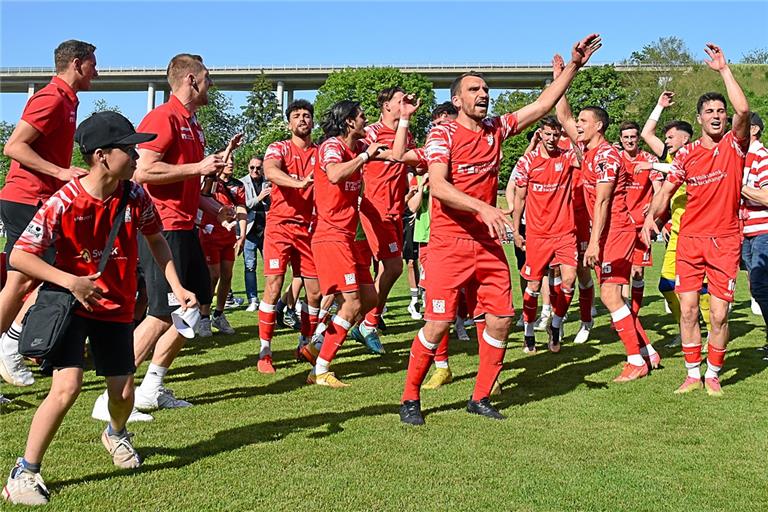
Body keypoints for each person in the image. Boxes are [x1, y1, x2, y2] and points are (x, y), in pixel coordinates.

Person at [399, 33, 602, 426]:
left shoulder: (495, 129)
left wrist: (574, 65)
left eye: (486, 89)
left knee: (500, 320)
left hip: (486, 245)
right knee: (438, 323)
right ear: (457, 99)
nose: (483, 94)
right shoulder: (442, 133)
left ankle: (480, 396)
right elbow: (438, 186)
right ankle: (410, 397)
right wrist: (485, 208)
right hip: (448, 243)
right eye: (474, 89)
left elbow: (543, 104)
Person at [2, 111, 197, 506]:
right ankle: (24, 472)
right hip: (71, 305)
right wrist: (70, 281)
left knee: (123, 392)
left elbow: (156, 240)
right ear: (102, 156)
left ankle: (116, 433)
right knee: (67, 387)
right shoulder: (65, 200)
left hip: (117, 308)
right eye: (129, 148)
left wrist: (176, 285)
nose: (138, 155)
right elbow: (21, 257)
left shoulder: (134, 195)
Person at [118, 53, 231, 415]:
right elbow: (141, 172)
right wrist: (198, 166)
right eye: (207, 77)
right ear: (191, 81)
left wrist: (214, 207)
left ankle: (152, 387)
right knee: (160, 313)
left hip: (185, 227)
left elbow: (185, 182)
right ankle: (114, 396)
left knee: (194, 306)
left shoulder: (193, 123)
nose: (211, 83)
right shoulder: (163, 117)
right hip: (161, 228)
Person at [642, 43, 750, 396]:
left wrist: (724, 70)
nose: (717, 115)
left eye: (720, 110)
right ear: (699, 118)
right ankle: (692, 372)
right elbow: (666, 190)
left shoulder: (735, 145)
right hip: (689, 241)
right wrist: (650, 219)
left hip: (724, 241)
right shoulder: (686, 154)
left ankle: (714, 372)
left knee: (718, 315)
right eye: (710, 111)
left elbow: (744, 109)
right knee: (687, 310)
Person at [0, 40, 98, 389]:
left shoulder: (68, 100)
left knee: (40, 276)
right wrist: (59, 173)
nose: (97, 72)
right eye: (93, 65)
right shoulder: (51, 97)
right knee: (25, 279)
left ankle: (17, 344)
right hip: (26, 198)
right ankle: (10, 345)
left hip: (41, 199)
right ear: (76, 64)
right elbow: (14, 145)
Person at [556, 67, 660, 383]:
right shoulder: (589, 148)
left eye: (583, 122)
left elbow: (602, 202)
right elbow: (563, 116)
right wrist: (563, 77)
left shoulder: (606, 157)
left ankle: (634, 361)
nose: (577, 126)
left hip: (617, 231)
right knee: (615, 296)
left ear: (598, 126)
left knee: (611, 295)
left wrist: (596, 242)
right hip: (609, 231)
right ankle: (647, 352)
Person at [308, 100, 403, 387]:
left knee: (370, 300)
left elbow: (397, 155)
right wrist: (364, 159)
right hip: (330, 236)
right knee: (351, 303)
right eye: (362, 117)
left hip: (347, 237)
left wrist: (406, 119)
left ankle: (316, 345)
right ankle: (320, 370)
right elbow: (335, 174)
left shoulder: (360, 148)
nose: (366, 120)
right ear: (349, 121)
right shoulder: (332, 146)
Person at [638, 92, 709, 347]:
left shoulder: (698, 154)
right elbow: (647, 134)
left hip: (701, 231)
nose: (666, 141)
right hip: (677, 232)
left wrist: (654, 167)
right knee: (666, 284)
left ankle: (711, 328)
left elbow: (681, 171)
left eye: (670, 137)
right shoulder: (669, 157)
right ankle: (685, 327)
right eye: (665, 138)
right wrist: (658, 106)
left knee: (701, 287)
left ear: (685, 138)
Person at [351, 87, 417, 351]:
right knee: (383, 269)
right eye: (401, 101)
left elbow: (409, 163)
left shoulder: (406, 133)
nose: (406, 104)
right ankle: (353, 324)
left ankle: (365, 323)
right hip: (369, 209)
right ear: (386, 106)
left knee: (389, 268)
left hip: (394, 210)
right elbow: (393, 156)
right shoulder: (371, 133)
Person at [257, 99, 321, 373]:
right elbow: (270, 171)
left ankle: (304, 343)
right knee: (274, 285)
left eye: (307, 115)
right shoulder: (279, 147)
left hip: (309, 228)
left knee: (315, 292)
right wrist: (298, 183)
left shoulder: (321, 152)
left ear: (313, 122)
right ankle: (265, 352)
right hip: (280, 226)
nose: (302, 119)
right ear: (289, 123)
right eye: (297, 115)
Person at [511, 114, 579, 354]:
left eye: (556, 134)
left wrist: (570, 129)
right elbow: (519, 199)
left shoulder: (567, 156)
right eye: (547, 134)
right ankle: (528, 330)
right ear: (539, 134)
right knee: (533, 286)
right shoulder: (526, 162)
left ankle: (556, 324)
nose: (552, 139)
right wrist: (517, 230)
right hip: (537, 234)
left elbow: (584, 156)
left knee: (569, 279)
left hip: (564, 231)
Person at [618, 121, 663, 338]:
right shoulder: (615, 159)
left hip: (640, 226)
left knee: (637, 271)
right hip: (619, 225)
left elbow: (660, 189)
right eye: (625, 137)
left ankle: (633, 314)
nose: (629, 140)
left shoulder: (650, 160)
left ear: (638, 138)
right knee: (620, 273)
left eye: (633, 137)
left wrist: (653, 204)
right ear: (620, 139)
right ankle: (624, 314)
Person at [198, 153, 247, 337]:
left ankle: (219, 314)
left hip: (228, 237)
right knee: (213, 275)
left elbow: (242, 209)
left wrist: (242, 235)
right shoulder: (212, 183)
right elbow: (205, 191)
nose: (231, 164)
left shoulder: (237, 186)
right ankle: (204, 316)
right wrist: (230, 149)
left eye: (233, 161)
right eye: (228, 161)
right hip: (210, 235)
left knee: (227, 275)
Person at [740, 112, 768, 355]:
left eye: (741, 126)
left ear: (755, 130)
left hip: (763, 231)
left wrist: (740, 187)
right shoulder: (743, 157)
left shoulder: (761, 156)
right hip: (747, 232)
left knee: (760, 285)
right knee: (756, 288)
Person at [241, 156, 271, 312]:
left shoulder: (269, 182)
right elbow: (242, 206)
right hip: (250, 231)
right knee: (250, 267)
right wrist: (259, 198)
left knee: (270, 267)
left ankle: (270, 298)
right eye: (252, 167)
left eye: (258, 168)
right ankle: (252, 299)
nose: (255, 170)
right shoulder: (242, 183)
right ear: (248, 167)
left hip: (267, 230)